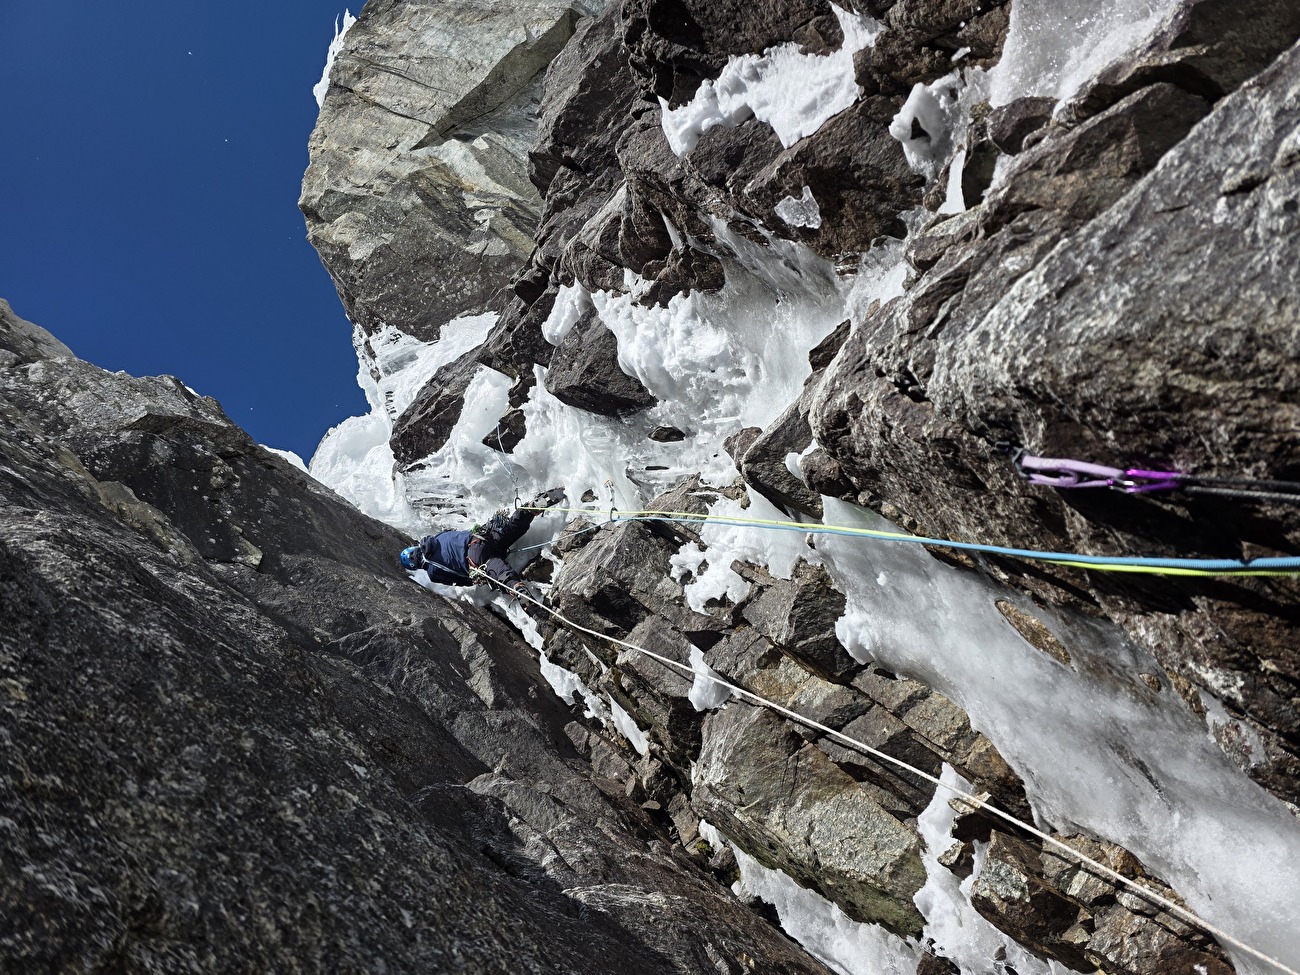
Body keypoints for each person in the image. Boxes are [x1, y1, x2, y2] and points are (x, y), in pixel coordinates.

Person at [399, 488, 565, 599]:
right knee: (513, 527)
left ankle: (517, 589)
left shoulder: (432, 573)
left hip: (475, 559)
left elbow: (459, 580)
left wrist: (474, 580)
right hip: (481, 537)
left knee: (500, 573)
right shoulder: (437, 537)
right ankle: (527, 511)